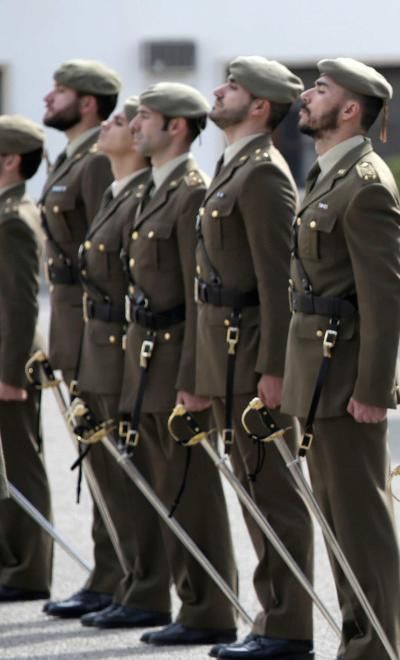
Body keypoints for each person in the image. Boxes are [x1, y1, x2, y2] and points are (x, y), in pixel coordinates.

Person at [283, 57, 400, 660]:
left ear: (351, 109)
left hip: (345, 377)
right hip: (317, 373)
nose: (307, 96)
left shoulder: (367, 183)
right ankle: (360, 643)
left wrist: (374, 390)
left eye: (321, 89)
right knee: (337, 523)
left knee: (361, 526)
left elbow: (384, 297)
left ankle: (376, 649)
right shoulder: (329, 174)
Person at [195, 56, 315, 660]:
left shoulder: (265, 175)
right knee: (253, 487)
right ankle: (272, 619)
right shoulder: (233, 167)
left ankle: (288, 627)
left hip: (252, 359)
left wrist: (275, 367)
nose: (218, 92)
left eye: (233, 87)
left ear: (261, 107)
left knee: (274, 492)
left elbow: (278, 284)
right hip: (227, 354)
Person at [123, 82, 238, 647]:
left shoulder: (190, 190)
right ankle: (190, 602)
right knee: (166, 482)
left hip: (177, 352)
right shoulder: (155, 188)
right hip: (150, 352)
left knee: (190, 484)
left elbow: (199, 296)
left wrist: (194, 375)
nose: (134, 124)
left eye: (144, 116)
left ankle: (208, 606)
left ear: (175, 127)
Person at [75, 96, 173, 630]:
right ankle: (130, 581)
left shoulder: (143, 195)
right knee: (114, 473)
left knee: (134, 471)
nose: (115, 127)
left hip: (127, 344)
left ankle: (146, 587)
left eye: (120, 121)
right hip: (106, 342)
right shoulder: (121, 192)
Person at [39, 59, 121, 620]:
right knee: (93, 455)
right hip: (71, 320)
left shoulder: (95, 163)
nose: (48, 98)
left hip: (94, 322)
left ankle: (119, 577)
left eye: (61, 91)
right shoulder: (69, 157)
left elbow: (105, 258)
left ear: (88, 103)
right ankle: (107, 573)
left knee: (108, 457)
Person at [0, 115, 50, 602]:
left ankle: (29, 570)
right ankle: (9, 562)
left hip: (9, 360)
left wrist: (10, 372)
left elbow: (21, 301)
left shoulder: (14, 216)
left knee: (20, 464)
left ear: (11, 160)